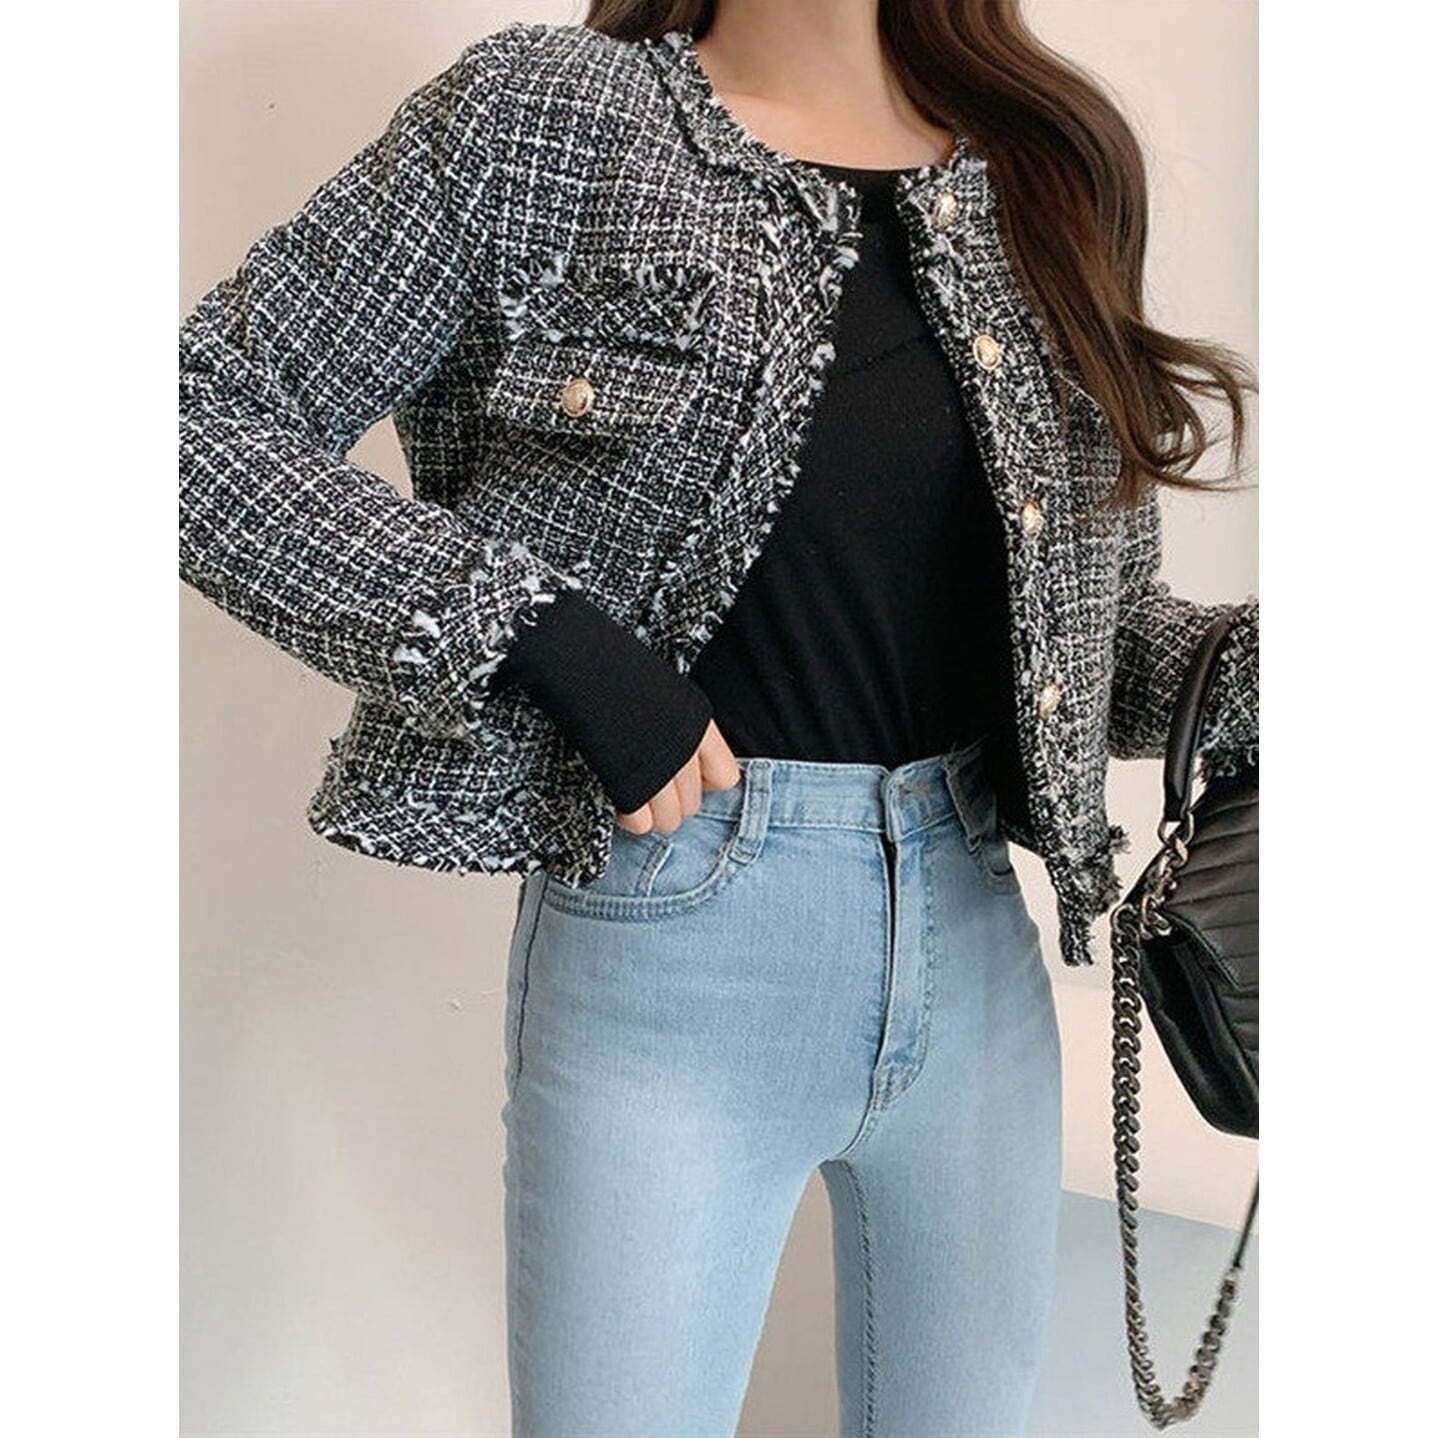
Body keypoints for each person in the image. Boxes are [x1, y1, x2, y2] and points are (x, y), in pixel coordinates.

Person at [178, 2, 1259, 1433]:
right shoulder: (549, 120)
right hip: (672, 945)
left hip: (978, 964)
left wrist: (1255, 670)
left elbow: (1093, 643)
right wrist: (545, 638)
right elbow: (194, 417)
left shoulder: (1048, 169)